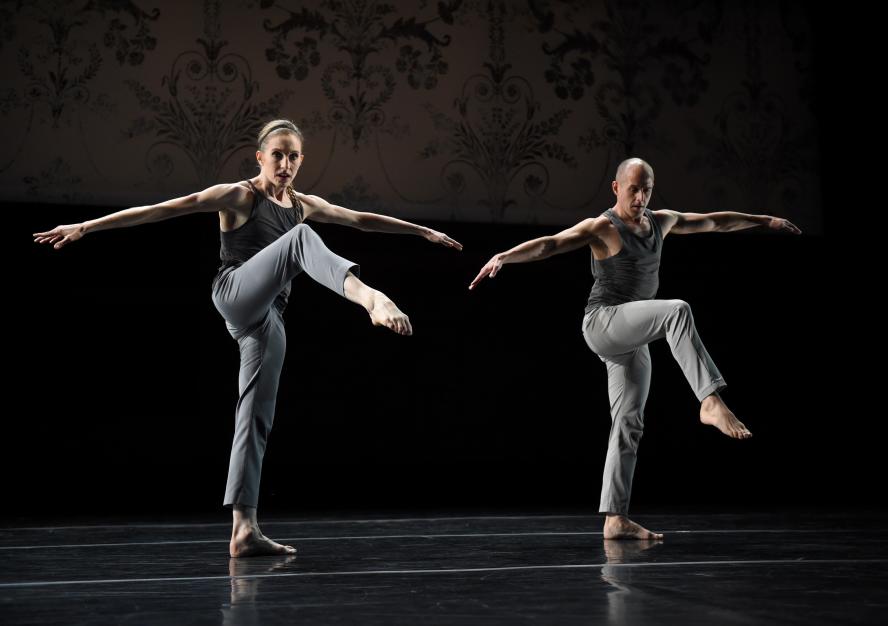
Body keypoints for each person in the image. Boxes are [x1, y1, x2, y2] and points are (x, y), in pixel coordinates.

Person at [33, 119, 463, 557]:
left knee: (255, 415)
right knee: (301, 240)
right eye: (277, 154)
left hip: (268, 317)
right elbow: (170, 206)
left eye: (293, 156)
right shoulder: (241, 195)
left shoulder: (302, 203)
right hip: (235, 292)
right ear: (260, 157)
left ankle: (244, 528)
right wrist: (87, 226)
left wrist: (420, 230)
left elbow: (361, 220)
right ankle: (371, 298)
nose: (285, 163)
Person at [469, 157, 800, 540]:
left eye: (646, 189)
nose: (640, 197)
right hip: (603, 322)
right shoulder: (602, 227)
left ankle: (615, 518)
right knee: (677, 311)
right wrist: (504, 256)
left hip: (632, 337)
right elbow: (550, 245)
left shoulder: (662, 221)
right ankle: (709, 400)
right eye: (633, 189)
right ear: (616, 188)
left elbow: (716, 221)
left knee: (629, 423)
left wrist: (764, 220)